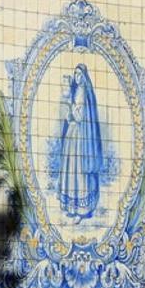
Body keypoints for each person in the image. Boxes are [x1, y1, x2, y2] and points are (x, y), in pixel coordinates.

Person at [55, 64, 104, 220]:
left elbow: (79, 116)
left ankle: (82, 210)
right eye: (75, 74)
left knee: (79, 171)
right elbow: (71, 116)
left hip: (81, 138)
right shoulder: (77, 91)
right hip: (73, 135)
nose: (77, 77)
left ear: (84, 76)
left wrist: (70, 101)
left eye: (79, 74)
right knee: (71, 169)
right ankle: (72, 206)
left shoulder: (83, 92)